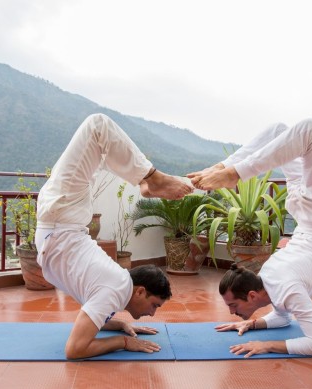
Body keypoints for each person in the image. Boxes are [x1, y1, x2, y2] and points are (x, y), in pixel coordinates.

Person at [188, 118, 312, 357]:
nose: (232, 313)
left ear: (252, 295)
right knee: (289, 132)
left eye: (233, 305)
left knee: (304, 130)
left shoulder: (281, 287)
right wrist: (253, 324)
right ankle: (229, 170)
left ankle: (230, 170)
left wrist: (266, 345)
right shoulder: (272, 282)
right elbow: (283, 318)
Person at [35, 113, 193, 359]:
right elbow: (75, 350)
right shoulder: (114, 289)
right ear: (140, 292)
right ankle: (152, 178)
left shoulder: (117, 287)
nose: (153, 314)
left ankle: (146, 180)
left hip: (63, 220)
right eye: (154, 305)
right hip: (62, 218)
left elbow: (96, 308)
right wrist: (124, 342)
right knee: (98, 126)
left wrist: (119, 324)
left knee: (98, 148)